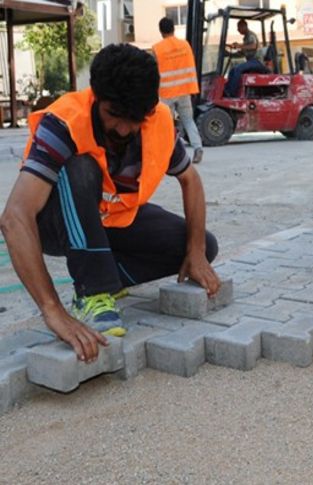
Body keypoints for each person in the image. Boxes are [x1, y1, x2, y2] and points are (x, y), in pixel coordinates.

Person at [0, 44, 221, 363]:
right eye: (113, 115)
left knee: (200, 246)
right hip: (56, 221)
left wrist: (197, 252)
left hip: (111, 218)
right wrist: (53, 311)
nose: (123, 128)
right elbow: (15, 217)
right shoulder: (64, 122)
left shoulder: (157, 121)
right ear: (97, 97)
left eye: (134, 120)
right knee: (80, 167)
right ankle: (93, 292)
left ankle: (103, 273)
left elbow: (191, 180)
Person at [152, 17, 203, 164]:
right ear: (174, 28)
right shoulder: (185, 45)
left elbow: (154, 71)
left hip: (166, 93)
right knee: (188, 120)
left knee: (166, 124)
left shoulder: (157, 48)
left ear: (161, 31)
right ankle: (198, 148)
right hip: (183, 91)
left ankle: (168, 153)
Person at [223, 19, 267, 98]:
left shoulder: (250, 35)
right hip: (251, 62)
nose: (238, 30)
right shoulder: (246, 38)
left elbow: (253, 46)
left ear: (244, 26)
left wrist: (239, 46)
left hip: (257, 62)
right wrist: (229, 54)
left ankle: (231, 93)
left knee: (238, 69)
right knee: (232, 70)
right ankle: (227, 90)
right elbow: (242, 53)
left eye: (239, 27)